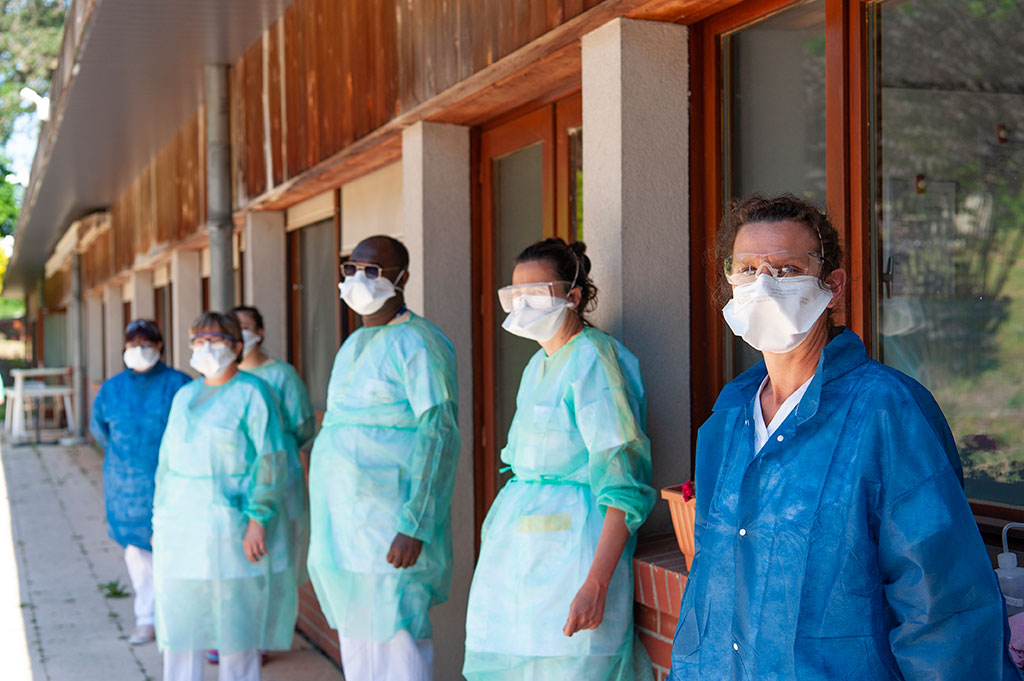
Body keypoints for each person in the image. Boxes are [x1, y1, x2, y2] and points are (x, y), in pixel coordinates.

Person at [669, 194, 1023, 680]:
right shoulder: (726, 423)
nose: (763, 285)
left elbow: (942, 611)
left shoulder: (887, 411)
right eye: (747, 269)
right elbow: (709, 582)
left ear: (831, 287)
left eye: (788, 269)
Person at [463, 238, 656, 681]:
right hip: (520, 558)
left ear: (572, 296)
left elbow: (623, 482)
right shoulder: (538, 365)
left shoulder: (594, 358)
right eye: (514, 295)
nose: (522, 305)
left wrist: (596, 583)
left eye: (535, 294)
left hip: (574, 555)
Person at [307, 235, 459, 681]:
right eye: (352, 269)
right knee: (359, 647)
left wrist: (414, 523)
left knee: (399, 646)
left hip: (393, 524)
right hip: (346, 530)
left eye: (372, 271)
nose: (359, 279)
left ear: (402, 277)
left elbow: (440, 436)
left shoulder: (420, 343)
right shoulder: (353, 345)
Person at [152, 312, 298, 681]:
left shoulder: (253, 393)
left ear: (236, 346)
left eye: (215, 340)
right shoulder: (185, 396)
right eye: (198, 340)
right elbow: (167, 467)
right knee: (182, 629)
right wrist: (159, 523)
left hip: (231, 532)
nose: (206, 347)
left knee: (237, 630)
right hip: (182, 531)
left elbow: (270, 461)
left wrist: (258, 521)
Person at [89, 319, 190, 646]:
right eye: (133, 344)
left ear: (160, 346)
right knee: (136, 555)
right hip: (126, 487)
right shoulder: (112, 389)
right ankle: (146, 619)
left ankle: (175, 619)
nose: (139, 350)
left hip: (173, 484)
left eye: (146, 343)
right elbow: (99, 430)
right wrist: (127, 457)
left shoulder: (179, 384)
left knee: (173, 554)